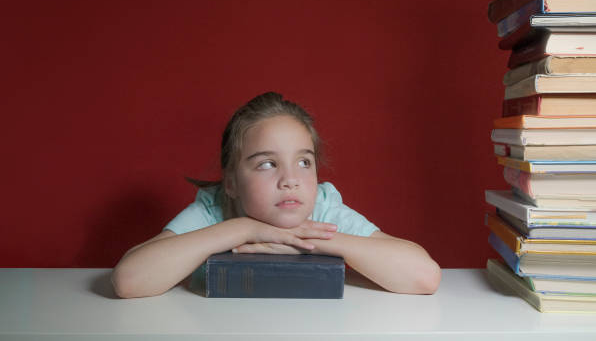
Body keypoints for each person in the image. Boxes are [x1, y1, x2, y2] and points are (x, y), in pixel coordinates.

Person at [111, 92, 441, 298]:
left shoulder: (323, 207)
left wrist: (305, 239)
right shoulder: (215, 209)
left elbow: (425, 276)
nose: (290, 180)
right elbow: (129, 280)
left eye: (303, 162)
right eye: (268, 164)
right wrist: (244, 229)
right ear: (231, 183)